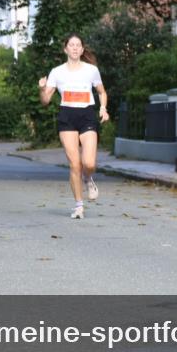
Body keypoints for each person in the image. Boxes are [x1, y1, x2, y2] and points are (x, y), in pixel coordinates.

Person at [38, 33, 109, 219]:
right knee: (75, 164)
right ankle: (79, 206)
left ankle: (88, 178)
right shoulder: (57, 72)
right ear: (66, 49)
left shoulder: (91, 70)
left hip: (87, 116)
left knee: (89, 163)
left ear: (82, 49)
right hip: (67, 117)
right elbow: (45, 100)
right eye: (72, 45)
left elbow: (102, 92)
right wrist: (42, 88)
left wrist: (103, 108)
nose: (75, 48)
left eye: (78, 45)